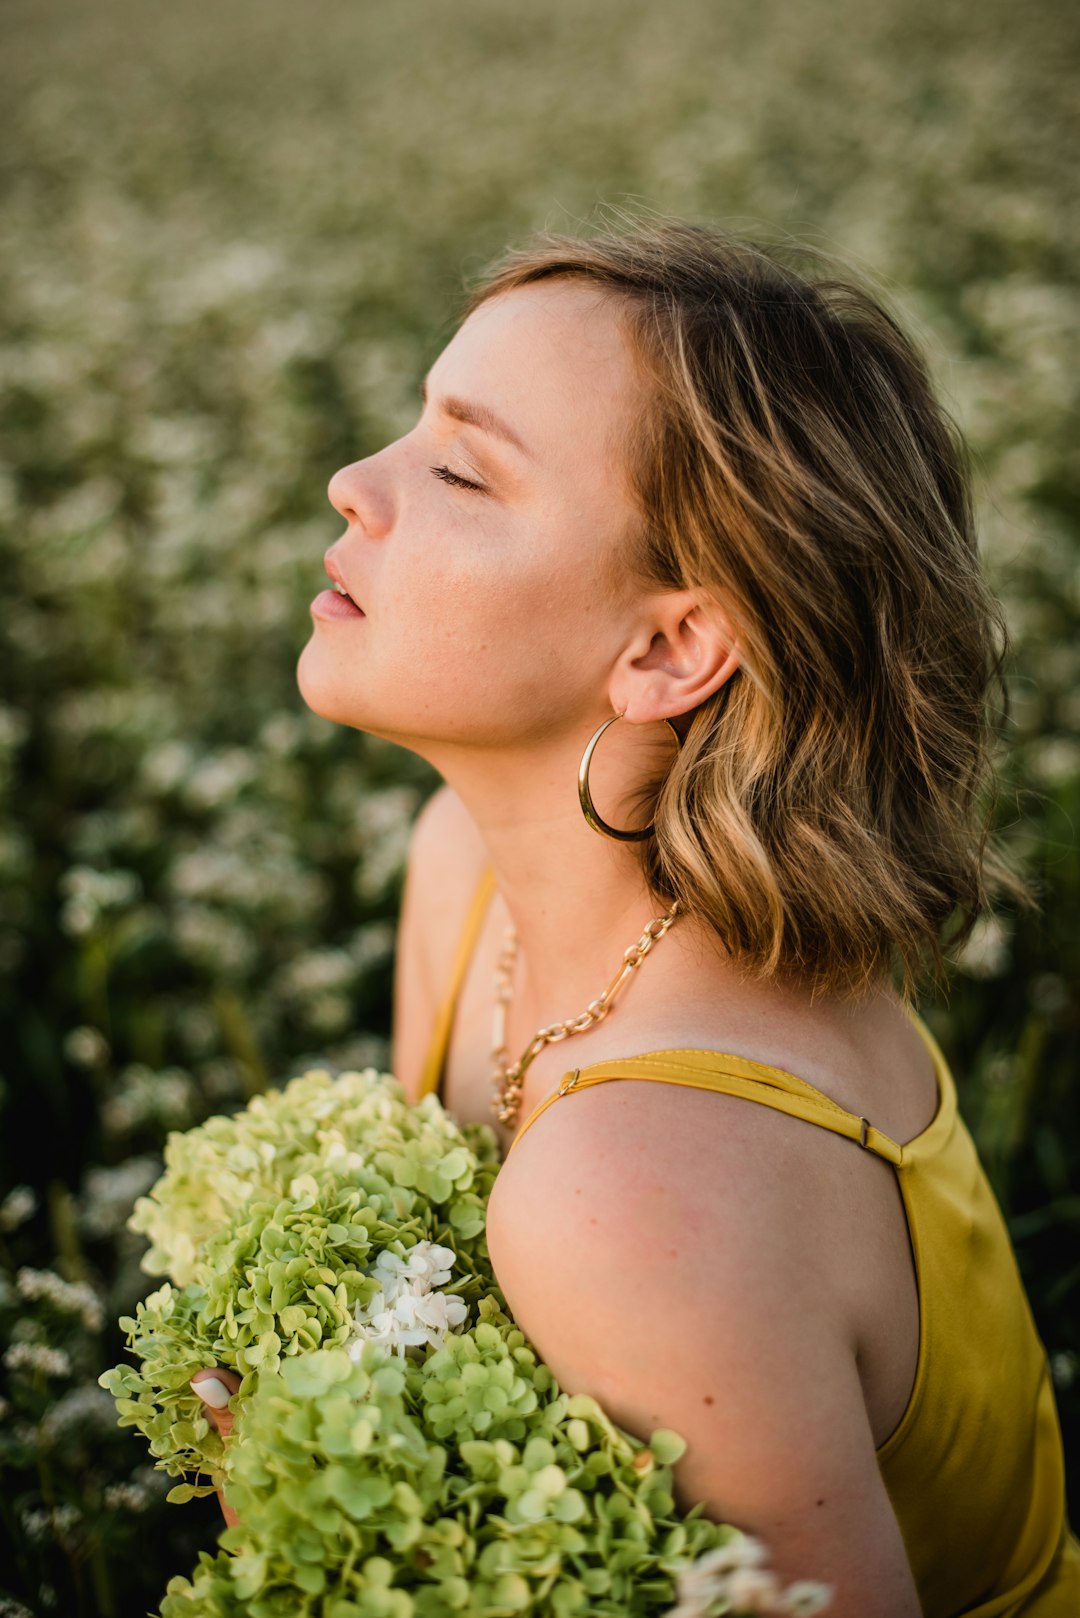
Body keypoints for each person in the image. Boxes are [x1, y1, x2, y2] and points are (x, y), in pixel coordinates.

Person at [193, 220, 1080, 1614]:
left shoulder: (643, 1180)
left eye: (460, 469)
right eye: (408, 424)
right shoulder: (463, 872)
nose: (354, 483)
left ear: (670, 648)